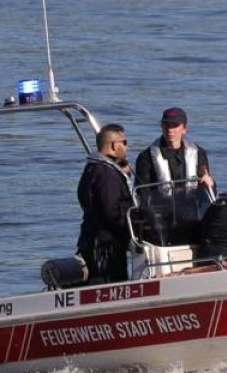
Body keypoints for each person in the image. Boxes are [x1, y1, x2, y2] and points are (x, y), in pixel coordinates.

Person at [77, 123, 135, 283]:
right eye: (124, 143)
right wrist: (134, 231)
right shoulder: (107, 175)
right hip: (105, 249)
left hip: (93, 242)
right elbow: (112, 212)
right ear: (114, 146)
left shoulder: (92, 168)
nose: (127, 147)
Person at [134, 107, 215, 193]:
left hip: (192, 204)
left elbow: (208, 189)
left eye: (175, 125)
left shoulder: (199, 153)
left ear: (184, 129)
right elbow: (142, 192)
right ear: (162, 127)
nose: (170, 130)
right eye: (166, 125)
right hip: (160, 205)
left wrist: (210, 184)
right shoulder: (146, 157)